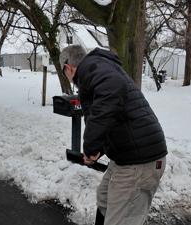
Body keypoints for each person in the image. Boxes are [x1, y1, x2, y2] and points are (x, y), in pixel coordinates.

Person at [59, 45, 168, 225]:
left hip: (140, 161)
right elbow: (112, 115)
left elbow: (111, 92)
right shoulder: (97, 70)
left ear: (68, 67)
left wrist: (90, 145)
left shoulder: (94, 68)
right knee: (104, 198)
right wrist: (98, 150)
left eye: (64, 73)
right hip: (127, 157)